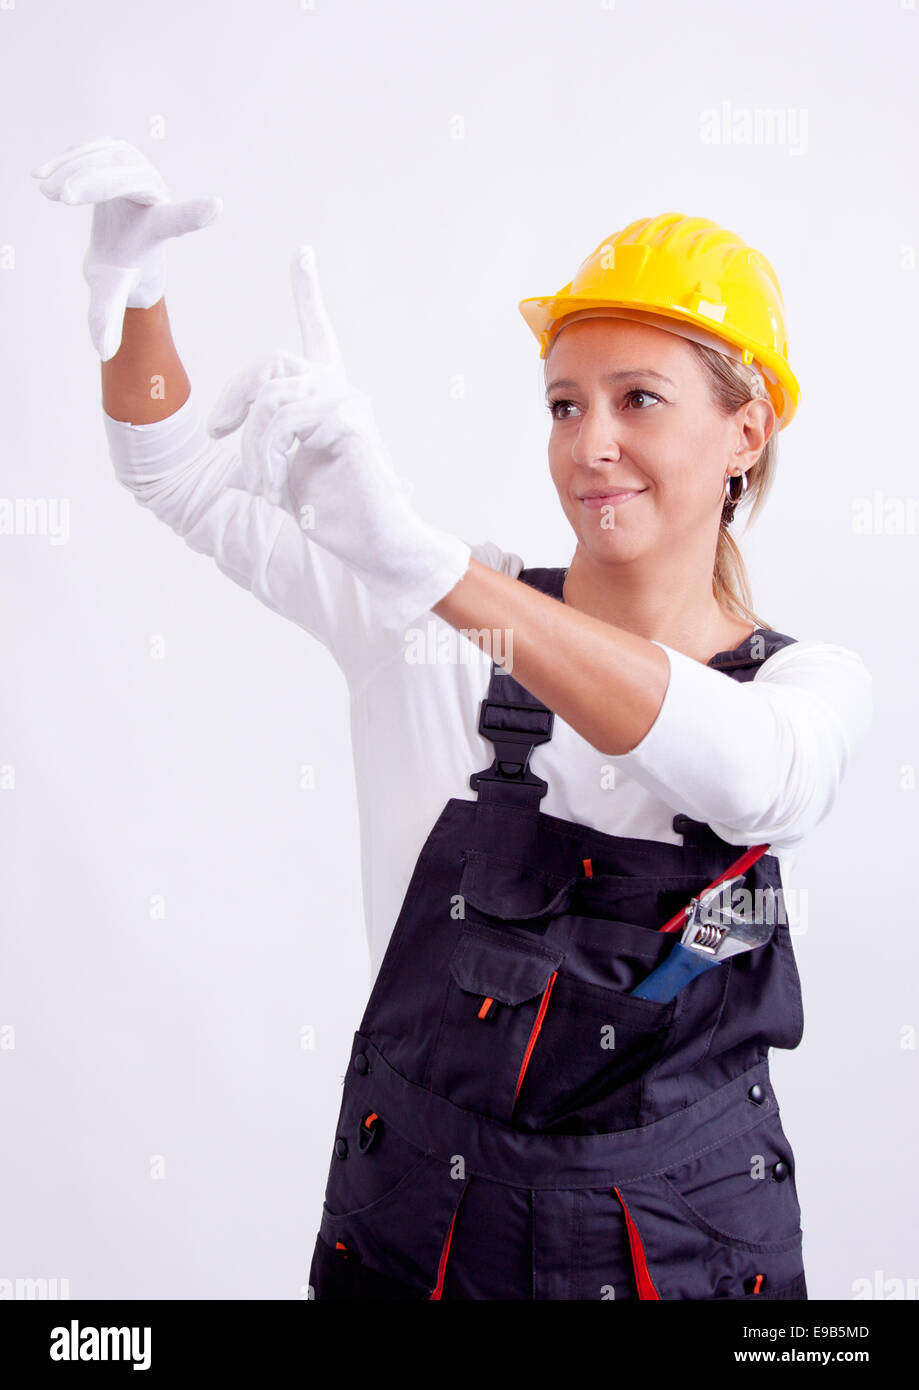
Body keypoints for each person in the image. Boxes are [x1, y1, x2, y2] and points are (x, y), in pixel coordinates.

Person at [33, 138, 873, 1301]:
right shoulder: (421, 630)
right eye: (564, 403)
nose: (592, 445)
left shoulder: (805, 688)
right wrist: (141, 297)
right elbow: (175, 472)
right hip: (416, 1241)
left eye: (641, 399)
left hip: (689, 1258)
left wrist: (425, 567)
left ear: (746, 431)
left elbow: (750, 777)